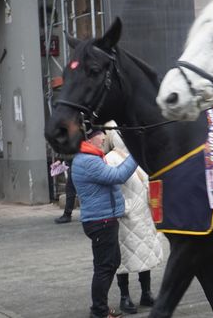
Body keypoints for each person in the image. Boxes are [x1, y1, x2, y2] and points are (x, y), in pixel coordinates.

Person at [72, 127, 138, 318]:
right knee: (104, 267)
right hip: (101, 221)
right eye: (100, 135)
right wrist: (136, 156)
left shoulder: (89, 157)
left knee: (111, 262)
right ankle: (99, 311)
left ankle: (100, 307)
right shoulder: (88, 161)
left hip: (103, 219)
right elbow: (117, 176)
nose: (103, 139)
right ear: (90, 138)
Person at [103, 124, 164, 314]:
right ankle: (124, 296)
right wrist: (124, 207)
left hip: (143, 213)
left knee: (144, 253)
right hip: (126, 216)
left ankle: (146, 292)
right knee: (125, 258)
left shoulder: (139, 154)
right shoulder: (110, 158)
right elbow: (111, 187)